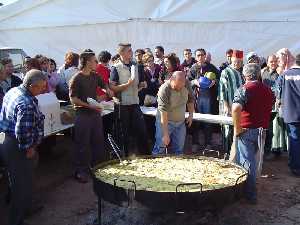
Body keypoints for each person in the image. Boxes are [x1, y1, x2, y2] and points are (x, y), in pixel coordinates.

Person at [0, 69, 47, 225]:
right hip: (17, 146)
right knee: (20, 185)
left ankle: (26, 207)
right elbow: (23, 132)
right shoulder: (26, 103)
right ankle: (16, 220)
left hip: (6, 140)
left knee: (19, 180)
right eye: (41, 87)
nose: (43, 90)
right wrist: (29, 148)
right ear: (33, 86)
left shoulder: (13, 90)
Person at [69, 49, 112, 183]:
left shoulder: (94, 75)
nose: (97, 63)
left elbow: (103, 84)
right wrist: (89, 106)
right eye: (94, 61)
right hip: (82, 115)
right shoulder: (76, 78)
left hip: (95, 114)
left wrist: (107, 89)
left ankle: (97, 167)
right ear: (88, 62)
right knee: (82, 144)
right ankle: (80, 171)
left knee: (97, 142)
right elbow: (73, 99)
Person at [232, 63, 273, 203]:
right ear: (259, 74)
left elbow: (236, 108)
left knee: (247, 163)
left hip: (247, 130)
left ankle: (249, 194)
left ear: (245, 75)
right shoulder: (267, 90)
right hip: (262, 130)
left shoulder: (244, 89)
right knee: (252, 162)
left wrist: (237, 128)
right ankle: (246, 191)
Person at [110, 43, 148, 156]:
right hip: (122, 104)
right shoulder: (115, 68)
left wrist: (142, 85)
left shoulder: (136, 66)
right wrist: (128, 84)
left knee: (142, 130)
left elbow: (137, 85)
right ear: (121, 53)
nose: (132, 53)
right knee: (123, 133)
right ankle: (123, 157)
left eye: (131, 50)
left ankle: (146, 156)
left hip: (135, 102)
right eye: (129, 51)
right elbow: (113, 88)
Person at [152, 71, 195, 155]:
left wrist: (191, 115)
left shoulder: (186, 83)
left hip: (180, 122)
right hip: (165, 121)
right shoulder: (164, 90)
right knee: (160, 147)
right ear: (171, 79)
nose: (179, 89)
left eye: (181, 87)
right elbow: (163, 113)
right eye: (176, 86)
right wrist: (165, 133)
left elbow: (190, 100)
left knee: (179, 149)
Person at [189, 48, 219, 150]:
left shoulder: (211, 67)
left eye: (202, 55)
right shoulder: (193, 68)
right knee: (195, 120)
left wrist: (215, 81)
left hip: (208, 98)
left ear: (205, 55)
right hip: (196, 98)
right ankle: (195, 143)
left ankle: (208, 143)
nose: (200, 57)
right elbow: (187, 81)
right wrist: (194, 82)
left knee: (208, 120)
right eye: (198, 55)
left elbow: (219, 78)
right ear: (196, 57)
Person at [219, 50, 244, 153]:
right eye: (235, 61)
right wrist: (226, 106)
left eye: (239, 62)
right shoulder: (226, 72)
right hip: (228, 106)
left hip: (239, 106)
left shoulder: (242, 72)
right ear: (231, 60)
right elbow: (222, 90)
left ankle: (236, 151)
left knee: (237, 128)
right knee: (227, 130)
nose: (236, 64)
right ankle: (227, 152)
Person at [261, 55, 283, 158]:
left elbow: (280, 90)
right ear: (267, 62)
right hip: (263, 105)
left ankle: (272, 150)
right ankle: (264, 150)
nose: (273, 63)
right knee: (265, 128)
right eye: (271, 61)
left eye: (275, 61)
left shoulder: (279, 74)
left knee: (273, 129)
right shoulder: (262, 73)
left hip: (274, 106)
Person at [281, 53, 300, 176]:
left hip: (290, 113)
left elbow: (279, 91)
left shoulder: (285, 74)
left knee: (294, 140)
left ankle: (294, 165)